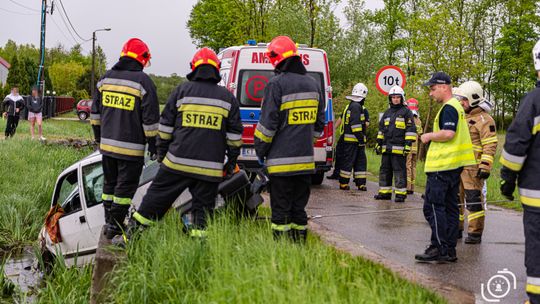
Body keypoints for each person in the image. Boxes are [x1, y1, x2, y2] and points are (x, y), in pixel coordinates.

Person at [123, 47, 243, 239]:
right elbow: (235, 138)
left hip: (176, 164)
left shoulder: (181, 91)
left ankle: (129, 237)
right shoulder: (227, 98)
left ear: (193, 67)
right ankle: (197, 253)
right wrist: (230, 164)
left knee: (154, 201)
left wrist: (161, 155)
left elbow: (164, 130)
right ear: (217, 69)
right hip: (209, 170)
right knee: (202, 216)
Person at [254, 35, 325, 242]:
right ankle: (299, 246)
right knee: (298, 209)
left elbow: (267, 126)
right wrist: (303, 140)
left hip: (280, 164)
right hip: (305, 163)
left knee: (281, 210)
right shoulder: (313, 84)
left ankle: (281, 252)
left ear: (277, 58)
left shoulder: (276, 85)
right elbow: (319, 126)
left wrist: (260, 151)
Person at [90, 38, 160, 239]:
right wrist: (154, 145)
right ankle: (115, 226)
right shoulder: (144, 82)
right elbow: (151, 121)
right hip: (131, 150)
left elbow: (95, 115)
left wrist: (98, 138)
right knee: (124, 188)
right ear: (142, 58)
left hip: (107, 148)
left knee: (109, 185)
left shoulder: (105, 79)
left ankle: (109, 220)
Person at [414, 72, 476, 263]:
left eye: (433, 89)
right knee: (449, 208)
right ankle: (449, 249)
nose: (431, 94)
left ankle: (438, 247)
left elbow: (448, 133)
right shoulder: (457, 107)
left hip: (442, 167)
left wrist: (428, 136)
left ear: (444, 87)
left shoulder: (449, 108)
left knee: (432, 207)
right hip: (452, 167)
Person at [499, 39, 540, 304]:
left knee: (538, 248)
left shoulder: (534, 100)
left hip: (537, 194)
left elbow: (515, 146)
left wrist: (507, 178)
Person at [453, 81, 497, 245]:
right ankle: (456, 228)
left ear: (473, 99)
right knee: (455, 198)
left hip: (473, 168)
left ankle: (474, 233)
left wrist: (485, 166)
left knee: (473, 200)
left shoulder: (485, 119)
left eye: (463, 100)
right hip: (457, 165)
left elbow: (490, 144)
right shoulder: (461, 116)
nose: (461, 102)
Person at [374, 85, 416, 203]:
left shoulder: (407, 112)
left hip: (399, 149)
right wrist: (378, 143)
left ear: (402, 98)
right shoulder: (387, 113)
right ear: (390, 99)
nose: (395, 99)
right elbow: (381, 129)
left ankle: (400, 194)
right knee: (384, 170)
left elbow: (410, 130)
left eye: (398, 97)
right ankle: (384, 192)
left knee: (399, 171)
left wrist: (408, 145)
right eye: (393, 97)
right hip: (386, 148)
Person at [338, 82, 369, 191]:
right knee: (349, 162)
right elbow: (356, 126)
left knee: (360, 162)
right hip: (353, 141)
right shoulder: (356, 106)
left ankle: (360, 183)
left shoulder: (353, 105)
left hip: (355, 141)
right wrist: (361, 139)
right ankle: (343, 183)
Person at [405, 98, 423, 194]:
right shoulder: (418, 120)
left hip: (408, 146)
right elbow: (420, 133)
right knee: (413, 167)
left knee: (407, 166)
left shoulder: (408, 117)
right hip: (416, 147)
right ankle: (412, 187)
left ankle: (407, 187)